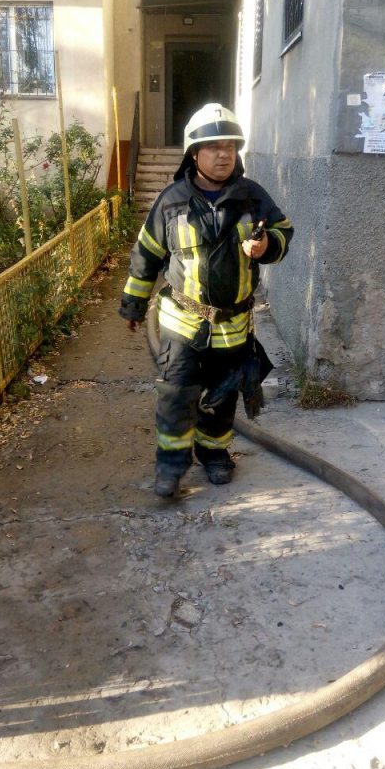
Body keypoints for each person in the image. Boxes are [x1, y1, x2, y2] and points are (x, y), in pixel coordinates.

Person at [119, 103, 293, 497]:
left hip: (233, 325)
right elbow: (146, 254)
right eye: (213, 147)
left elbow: (283, 231)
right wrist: (133, 305)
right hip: (182, 322)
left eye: (230, 146)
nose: (223, 154)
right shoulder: (171, 201)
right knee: (176, 395)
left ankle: (214, 454)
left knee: (222, 396)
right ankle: (171, 466)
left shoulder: (252, 198)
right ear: (194, 153)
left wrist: (267, 244)